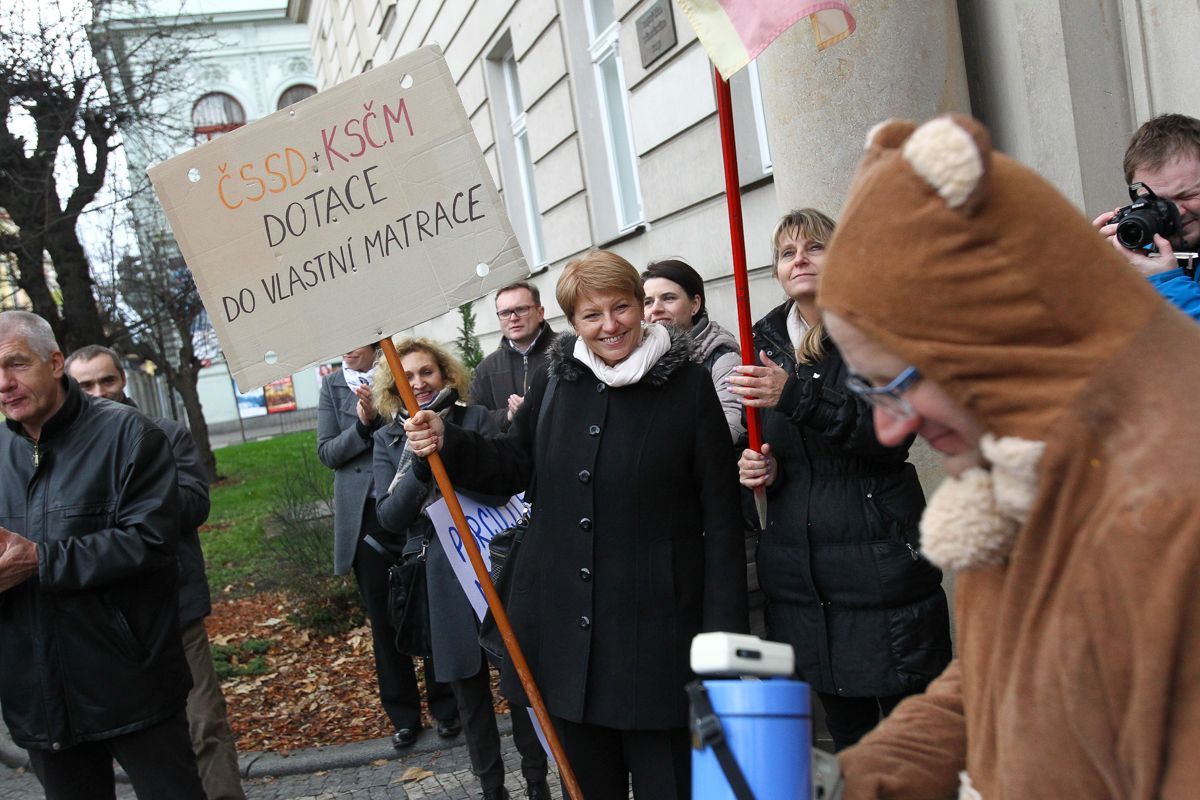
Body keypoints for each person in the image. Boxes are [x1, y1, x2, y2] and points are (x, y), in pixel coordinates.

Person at [821, 114, 1200, 798]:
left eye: (896, 386)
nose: (887, 429)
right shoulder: (1023, 478)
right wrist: (850, 782)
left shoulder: (1173, 518)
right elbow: (995, 685)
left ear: (991, 346)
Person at [403, 251, 749, 800]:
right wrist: (447, 440)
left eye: (621, 308)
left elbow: (722, 523)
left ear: (642, 307)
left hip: (658, 641)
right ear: (572, 323)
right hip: (570, 640)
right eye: (592, 316)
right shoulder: (557, 381)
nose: (610, 325)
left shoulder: (688, 387)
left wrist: (723, 645)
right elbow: (510, 463)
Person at [729, 209, 951, 751]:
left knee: (913, 742)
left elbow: (890, 435)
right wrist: (760, 467)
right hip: (803, 574)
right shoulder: (762, 342)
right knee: (847, 738)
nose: (799, 259)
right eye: (787, 253)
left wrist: (797, 396)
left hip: (877, 561)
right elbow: (768, 441)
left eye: (815, 248)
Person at [0, 311, 204, 799]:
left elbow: (152, 542)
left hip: (130, 680)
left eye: (15, 364)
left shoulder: (131, 436)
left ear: (54, 363)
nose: (4, 384)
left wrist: (42, 561)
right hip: (40, 694)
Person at [372, 338, 550, 800]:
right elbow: (390, 518)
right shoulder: (388, 440)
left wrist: (450, 450)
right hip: (441, 583)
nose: (418, 383)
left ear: (446, 375)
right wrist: (419, 467)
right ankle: (492, 788)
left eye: (426, 372)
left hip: (496, 568)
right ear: (393, 389)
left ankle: (537, 783)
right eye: (407, 378)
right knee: (469, 698)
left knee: (520, 687)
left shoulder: (478, 420)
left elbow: (501, 489)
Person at [64, 345, 245, 800]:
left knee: (203, 722)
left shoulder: (164, 434)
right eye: (85, 384)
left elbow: (195, 505)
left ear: (123, 379)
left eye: (107, 380)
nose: (99, 391)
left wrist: (134, 499)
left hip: (173, 607)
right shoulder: (63, 448)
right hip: (98, 618)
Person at [317, 344, 459, 749]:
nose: (345, 347)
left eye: (353, 338)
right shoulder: (332, 388)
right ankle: (403, 715)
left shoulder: (403, 370)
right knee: (384, 620)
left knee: (433, 606)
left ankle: (446, 707)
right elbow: (328, 452)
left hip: (415, 509)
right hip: (367, 522)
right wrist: (362, 425)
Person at [1092, 113, 1200, 320]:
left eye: (1186, 195)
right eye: (1157, 202)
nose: (1176, 212)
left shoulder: (1154, 273)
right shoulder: (1135, 255)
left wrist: (1167, 283)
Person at [642, 258, 745, 440]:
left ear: (695, 305)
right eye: (648, 302)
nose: (656, 309)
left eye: (668, 298)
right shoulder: (638, 356)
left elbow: (730, 428)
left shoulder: (722, 358)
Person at [468, 281, 559, 431]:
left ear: (540, 313)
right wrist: (509, 415)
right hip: (513, 453)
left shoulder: (567, 351)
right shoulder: (485, 369)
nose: (513, 318)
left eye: (521, 309)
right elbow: (473, 422)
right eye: (504, 313)